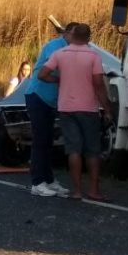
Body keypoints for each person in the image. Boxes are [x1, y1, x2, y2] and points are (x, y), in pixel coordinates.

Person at [39, 23, 113, 201]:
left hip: (66, 107)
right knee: (92, 150)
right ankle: (93, 190)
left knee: (73, 149)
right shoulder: (93, 56)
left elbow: (42, 74)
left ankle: (77, 190)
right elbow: (98, 84)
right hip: (88, 107)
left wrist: (58, 79)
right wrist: (108, 109)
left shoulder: (60, 54)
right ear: (88, 38)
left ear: (72, 36)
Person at [24, 23, 76, 197]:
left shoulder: (72, 49)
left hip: (50, 100)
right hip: (38, 96)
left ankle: (49, 179)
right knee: (40, 140)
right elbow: (50, 69)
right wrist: (64, 79)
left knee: (47, 141)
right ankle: (37, 182)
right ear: (67, 33)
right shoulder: (55, 46)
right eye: (74, 35)